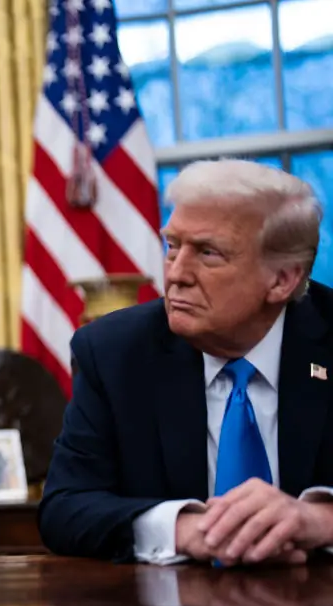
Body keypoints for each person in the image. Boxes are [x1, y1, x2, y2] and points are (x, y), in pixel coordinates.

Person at [38, 159, 333, 568]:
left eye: (208, 253)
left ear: (282, 280)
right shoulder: (114, 352)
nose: (175, 274)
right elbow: (65, 508)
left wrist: (319, 519)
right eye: (172, 246)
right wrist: (187, 529)